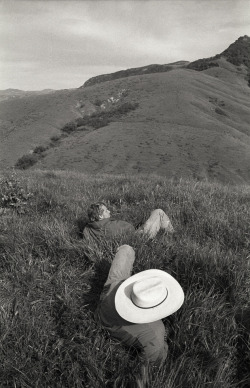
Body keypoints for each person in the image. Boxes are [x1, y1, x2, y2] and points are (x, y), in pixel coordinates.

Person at [96, 245, 184, 368]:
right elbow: (153, 363)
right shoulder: (155, 333)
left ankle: (125, 248)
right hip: (107, 320)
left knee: (126, 251)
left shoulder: (123, 287)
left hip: (112, 290)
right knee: (158, 346)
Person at [82, 202, 174, 244]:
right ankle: (172, 234)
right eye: (106, 211)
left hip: (121, 245)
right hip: (139, 239)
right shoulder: (113, 226)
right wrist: (140, 228)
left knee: (146, 221)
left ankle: (167, 233)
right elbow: (130, 229)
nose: (109, 211)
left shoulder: (87, 230)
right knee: (158, 212)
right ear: (100, 216)